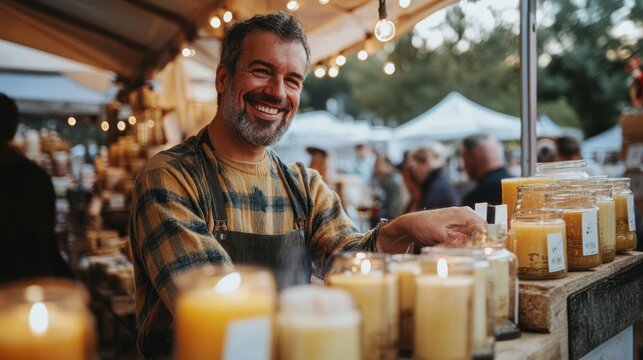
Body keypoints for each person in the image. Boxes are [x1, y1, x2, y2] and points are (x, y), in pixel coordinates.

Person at [129, 12, 485, 358]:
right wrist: (316, 300)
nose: (277, 92)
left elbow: (346, 262)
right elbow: (224, 310)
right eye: (261, 71)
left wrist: (403, 228)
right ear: (223, 78)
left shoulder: (304, 184)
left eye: (293, 80)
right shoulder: (169, 178)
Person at [0, 93, 72, 284]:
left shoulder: (35, 177)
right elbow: (48, 245)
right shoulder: (34, 177)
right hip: (34, 283)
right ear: (13, 128)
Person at [461, 133, 512, 208]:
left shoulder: (476, 198)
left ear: (474, 156)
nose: (462, 165)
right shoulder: (518, 187)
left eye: (464, 158)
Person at [408, 142, 459, 210]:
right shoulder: (439, 180)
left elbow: (425, 217)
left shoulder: (435, 188)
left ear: (426, 163)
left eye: (414, 168)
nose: (414, 173)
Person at [373, 152, 409, 219]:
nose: (375, 168)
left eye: (378, 164)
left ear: (388, 164)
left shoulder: (393, 182)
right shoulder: (391, 177)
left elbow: (393, 212)